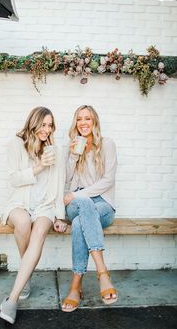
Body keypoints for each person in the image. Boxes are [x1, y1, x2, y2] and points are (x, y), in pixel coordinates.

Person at [0, 106, 67, 324]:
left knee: (38, 233)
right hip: (20, 202)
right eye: (43, 124)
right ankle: (25, 275)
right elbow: (13, 179)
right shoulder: (16, 144)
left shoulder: (54, 149)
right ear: (33, 122)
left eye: (50, 125)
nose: (47, 129)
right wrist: (38, 167)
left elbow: (59, 185)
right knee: (23, 221)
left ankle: (12, 299)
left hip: (45, 207)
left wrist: (60, 216)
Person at [62, 105, 118, 312]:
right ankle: (102, 272)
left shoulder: (107, 145)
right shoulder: (71, 146)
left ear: (95, 122)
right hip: (76, 205)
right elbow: (65, 181)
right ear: (75, 123)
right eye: (79, 119)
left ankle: (76, 285)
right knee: (83, 206)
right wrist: (73, 156)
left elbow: (108, 180)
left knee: (79, 224)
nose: (83, 123)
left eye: (88, 118)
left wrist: (77, 195)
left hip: (103, 205)